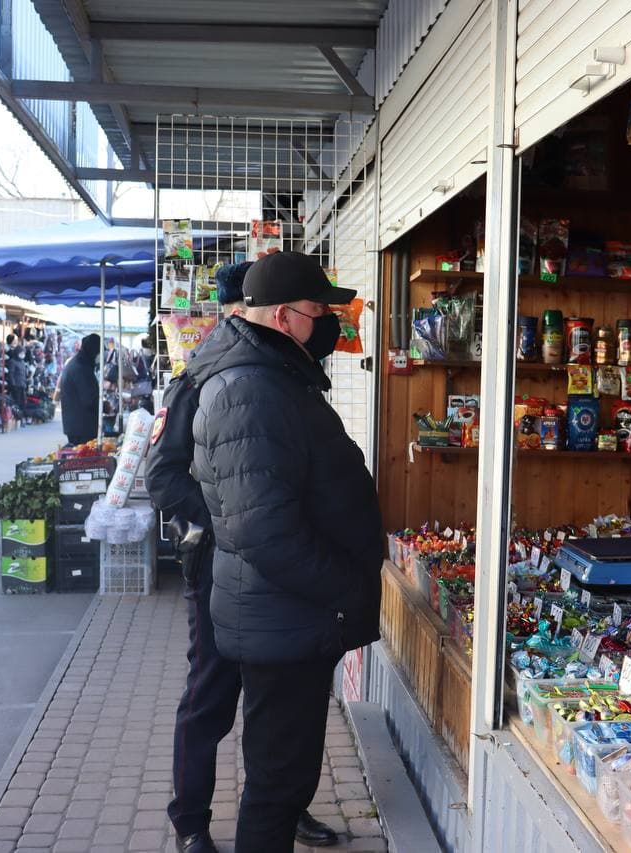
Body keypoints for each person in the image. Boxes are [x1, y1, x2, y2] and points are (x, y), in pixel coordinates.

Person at [192, 252, 383, 853]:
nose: (330, 322)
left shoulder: (270, 377)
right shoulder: (252, 388)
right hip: (288, 614)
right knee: (278, 785)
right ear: (284, 316)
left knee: (285, 775)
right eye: (321, 311)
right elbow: (264, 532)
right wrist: (345, 589)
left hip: (287, 615)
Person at [147, 261, 338, 853]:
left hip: (270, 579)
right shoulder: (206, 376)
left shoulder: (279, 371)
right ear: (244, 313)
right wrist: (225, 528)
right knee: (210, 696)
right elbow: (163, 475)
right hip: (218, 572)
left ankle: (285, 806)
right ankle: (191, 822)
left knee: (276, 709)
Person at [59, 333, 101, 446]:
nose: (100, 355)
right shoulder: (81, 369)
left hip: (76, 424)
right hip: (81, 427)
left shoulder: (78, 363)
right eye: (99, 351)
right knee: (83, 459)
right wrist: (103, 406)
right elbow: (89, 399)